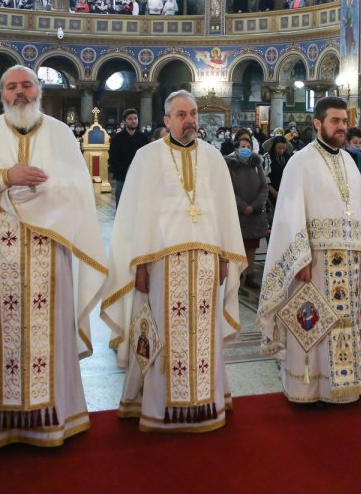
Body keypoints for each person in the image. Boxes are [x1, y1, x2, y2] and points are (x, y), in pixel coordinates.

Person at [0, 65, 108, 452]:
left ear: (40, 90)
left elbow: (79, 193)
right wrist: (4, 178)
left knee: (48, 334)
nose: (20, 92)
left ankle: (52, 417)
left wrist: (40, 194)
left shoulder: (61, 134)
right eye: (12, 86)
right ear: (2, 93)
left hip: (48, 258)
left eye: (27, 85)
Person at [102, 91, 247, 433]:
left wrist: (226, 256)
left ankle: (207, 401)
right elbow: (135, 216)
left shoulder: (213, 158)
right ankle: (160, 407)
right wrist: (137, 266)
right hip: (161, 264)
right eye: (181, 114)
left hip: (208, 264)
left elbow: (224, 211)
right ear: (167, 121)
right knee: (163, 333)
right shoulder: (146, 157)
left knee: (205, 333)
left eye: (193, 113)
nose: (190, 120)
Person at [259, 97, 361, 404]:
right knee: (313, 323)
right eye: (335, 121)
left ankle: (342, 387)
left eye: (344, 121)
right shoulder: (300, 162)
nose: (342, 127)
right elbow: (289, 213)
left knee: (345, 321)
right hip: (314, 262)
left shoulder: (349, 162)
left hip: (348, 260)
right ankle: (308, 388)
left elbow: (360, 208)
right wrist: (299, 260)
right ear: (318, 124)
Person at [225, 129, 269, 287]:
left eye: (248, 146)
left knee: (251, 247)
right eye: (243, 146)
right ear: (236, 148)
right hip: (238, 213)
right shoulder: (230, 166)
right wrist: (243, 207)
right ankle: (235, 276)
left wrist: (255, 205)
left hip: (254, 214)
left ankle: (249, 274)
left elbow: (264, 187)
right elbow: (227, 189)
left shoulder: (256, 164)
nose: (246, 149)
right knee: (237, 246)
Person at [108, 109, 150, 207]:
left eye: (135, 118)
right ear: (124, 121)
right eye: (130, 119)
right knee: (122, 205)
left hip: (139, 178)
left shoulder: (143, 138)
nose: (133, 121)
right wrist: (126, 171)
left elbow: (147, 158)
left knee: (139, 205)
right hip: (122, 178)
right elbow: (113, 159)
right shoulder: (117, 139)